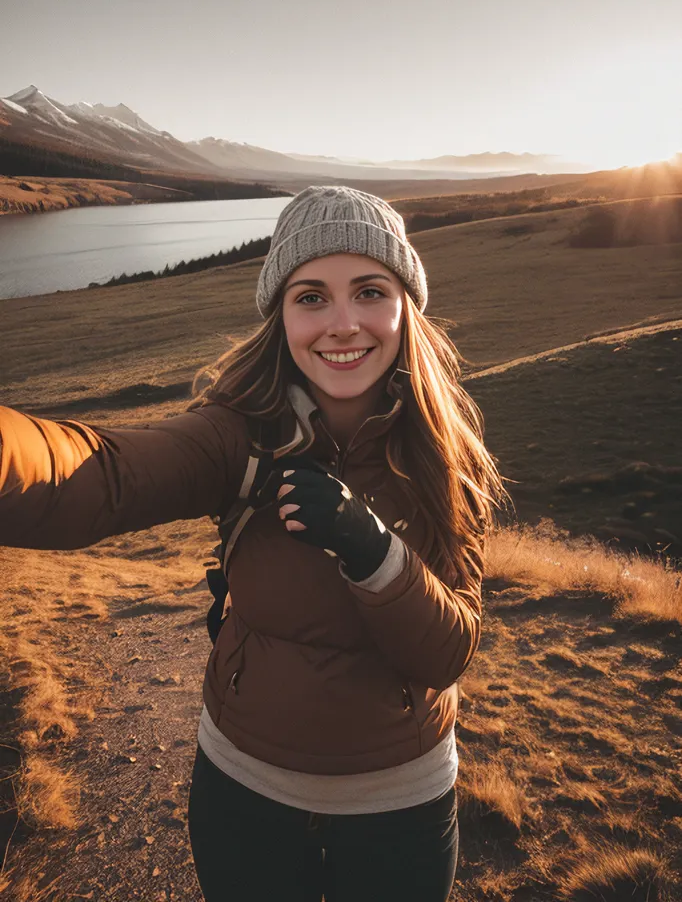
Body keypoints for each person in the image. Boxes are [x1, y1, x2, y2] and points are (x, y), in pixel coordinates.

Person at [0, 185, 509, 902]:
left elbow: (448, 651)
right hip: (245, 794)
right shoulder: (237, 435)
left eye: (369, 290)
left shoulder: (443, 455)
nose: (342, 324)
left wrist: (373, 551)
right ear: (280, 314)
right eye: (310, 297)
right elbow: (96, 478)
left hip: (402, 804)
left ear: (405, 306)